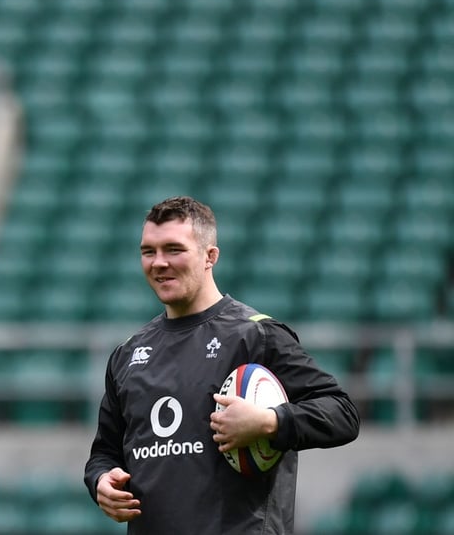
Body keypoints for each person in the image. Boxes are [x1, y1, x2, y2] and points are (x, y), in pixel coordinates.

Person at [84, 196, 360, 534]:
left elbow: (342, 413)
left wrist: (270, 421)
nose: (158, 263)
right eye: (148, 252)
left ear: (209, 256)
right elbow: (104, 452)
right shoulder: (128, 353)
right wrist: (101, 482)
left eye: (174, 250)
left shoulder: (256, 335)